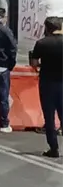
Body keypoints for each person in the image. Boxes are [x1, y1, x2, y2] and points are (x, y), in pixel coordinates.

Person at [30, 17, 63, 158]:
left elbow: (34, 63)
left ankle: (53, 148)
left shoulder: (41, 43)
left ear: (47, 28)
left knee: (49, 117)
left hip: (48, 83)